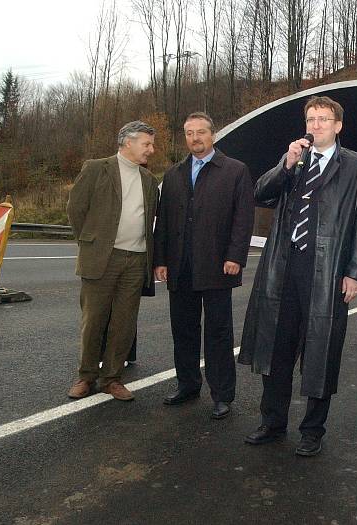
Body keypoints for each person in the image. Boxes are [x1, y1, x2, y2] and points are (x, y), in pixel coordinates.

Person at [239, 96, 357, 456]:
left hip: (327, 271)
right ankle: (272, 421)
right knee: (276, 348)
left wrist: (355, 272)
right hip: (283, 268)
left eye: (323, 119)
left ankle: (313, 430)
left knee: (321, 350)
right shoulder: (295, 161)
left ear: (338, 125)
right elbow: (261, 193)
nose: (316, 125)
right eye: (311, 119)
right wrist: (285, 164)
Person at [154, 111, 254, 419]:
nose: (195, 138)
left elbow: (243, 219)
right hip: (180, 267)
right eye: (189, 133)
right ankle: (187, 385)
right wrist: (160, 260)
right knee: (183, 331)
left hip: (217, 267)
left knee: (218, 333)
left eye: (200, 132)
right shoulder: (173, 175)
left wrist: (235, 256)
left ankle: (222, 395)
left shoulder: (235, 171)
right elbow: (165, 223)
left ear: (213, 134)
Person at [66, 121, 160, 401]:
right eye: (147, 144)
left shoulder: (149, 180)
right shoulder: (97, 168)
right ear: (128, 142)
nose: (151, 150)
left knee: (124, 322)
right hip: (103, 259)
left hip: (136, 260)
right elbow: (76, 209)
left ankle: (112, 378)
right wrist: (92, 242)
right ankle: (86, 376)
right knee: (94, 319)